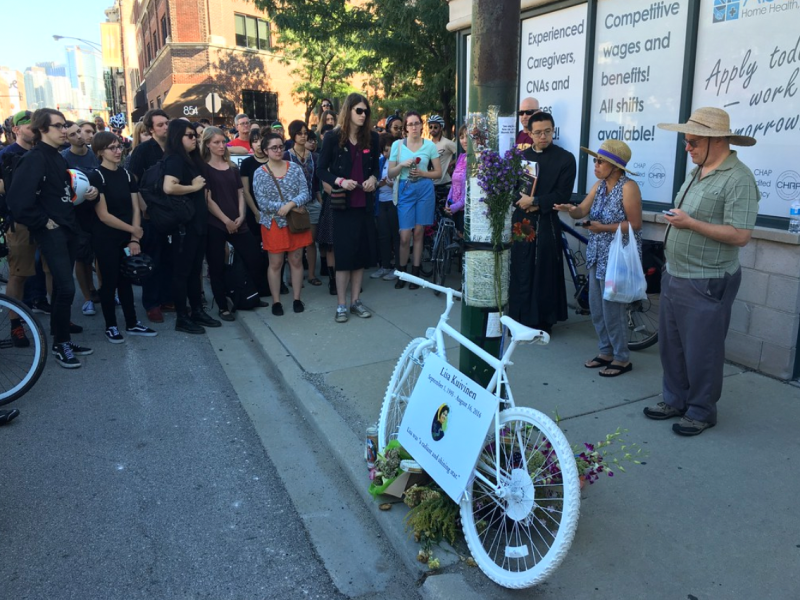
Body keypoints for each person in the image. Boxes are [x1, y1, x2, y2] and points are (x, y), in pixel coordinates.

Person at [643, 107, 759, 436]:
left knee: (702, 350)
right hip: (677, 273)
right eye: (687, 141)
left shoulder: (739, 179)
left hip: (707, 279)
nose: (687, 148)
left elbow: (741, 235)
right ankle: (676, 399)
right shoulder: (698, 171)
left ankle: (701, 410)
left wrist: (690, 223)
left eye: (693, 142)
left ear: (716, 140)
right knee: (672, 345)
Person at [7, 108, 95, 367]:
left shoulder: (58, 157)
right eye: (58, 125)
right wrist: (42, 221)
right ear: (42, 129)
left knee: (60, 288)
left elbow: (63, 192)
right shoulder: (35, 158)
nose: (64, 130)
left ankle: (62, 339)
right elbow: (17, 199)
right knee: (66, 287)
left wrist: (85, 194)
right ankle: (61, 344)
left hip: (68, 228)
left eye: (65, 124)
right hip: (51, 232)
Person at [555, 140, 642, 377]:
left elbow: (634, 225)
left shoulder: (628, 187)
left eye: (600, 161)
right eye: (595, 159)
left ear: (615, 166)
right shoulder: (599, 185)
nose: (596, 164)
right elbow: (582, 209)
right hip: (597, 254)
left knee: (612, 307)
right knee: (596, 305)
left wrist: (603, 228)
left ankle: (622, 357)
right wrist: (569, 209)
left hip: (617, 256)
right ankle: (605, 351)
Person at [509, 111, 576, 334]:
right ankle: (519, 316)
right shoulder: (520, 157)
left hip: (547, 221)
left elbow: (563, 194)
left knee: (544, 267)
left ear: (553, 131)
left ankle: (542, 320)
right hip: (523, 220)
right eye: (538, 132)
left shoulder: (565, 159)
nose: (543, 136)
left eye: (547, 131)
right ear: (529, 133)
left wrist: (536, 201)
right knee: (522, 264)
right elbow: (512, 189)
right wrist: (523, 202)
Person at [317, 92, 381, 322]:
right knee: (343, 256)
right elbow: (321, 169)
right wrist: (340, 181)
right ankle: (341, 304)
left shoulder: (373, 138)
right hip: (342, 204)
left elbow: (375, 169)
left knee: (360, 256)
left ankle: (356, 301)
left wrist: (373, 179)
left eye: (366, 111)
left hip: (364, 205)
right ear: (349, 111)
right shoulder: (333, 138)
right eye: (359, 111)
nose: (364, 115)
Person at [88, 131, 157, 342]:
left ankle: (132, 322)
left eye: (119, 147)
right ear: (100, 152)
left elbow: (135, 207)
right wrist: (133, 230)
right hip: (106, 238)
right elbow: (104, 215)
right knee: (109, 283)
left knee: (127, 279)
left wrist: (134, 237)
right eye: (112, 148)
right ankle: (111, 326)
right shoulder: (96, 176)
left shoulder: (127, 175)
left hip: (127, 237)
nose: (118, 151)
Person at [200, 126, 266, 321]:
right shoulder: (204, 169)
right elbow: (208, 199)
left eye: (223, 141)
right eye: (216, 142)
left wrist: (240, 216)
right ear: (208, 145)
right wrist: (226, 220)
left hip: (238, 221)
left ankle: (249, 296)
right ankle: (223, 306)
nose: (221, 146)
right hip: (217, 224)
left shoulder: (232, 167)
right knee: (217, 266)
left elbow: (240, 193)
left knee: (254, 258)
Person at [162, 119, 221, 333]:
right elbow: (169, 187)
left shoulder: (191, 159)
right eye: (189, 135)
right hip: (183, 226)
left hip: (198, 223)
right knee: (182, 272)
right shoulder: (174, 159)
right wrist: (193, 187)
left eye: (195, 135)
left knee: (195, 270)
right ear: (178, 137)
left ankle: (196, 311)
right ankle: (182, 317)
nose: (194, 138)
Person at [253, 132, 312, 315]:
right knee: (276, 263)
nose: (278, 150)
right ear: (265, 150)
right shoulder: (259, 173)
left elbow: (305, 192)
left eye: (281, 146)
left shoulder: (294, 168)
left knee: (296, 260)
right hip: (273, 223)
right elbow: (261, 202)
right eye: (274, 147)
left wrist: (290, 205)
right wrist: (283, 207)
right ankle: (276, 301)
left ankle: (297, 298)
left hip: (295, 222)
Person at [387, 111, 441, 289]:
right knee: (405, 235)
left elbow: (438, 173)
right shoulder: (398, 145)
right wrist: (402, 164)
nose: (414, 127)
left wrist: (423, 173)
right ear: (405, 127)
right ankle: (402, 273)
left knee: (418, 233)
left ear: (421, 125)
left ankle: (415, 275)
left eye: (417, 123)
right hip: (406, 188)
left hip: (425, 188)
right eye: (410, 124)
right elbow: (390, 173)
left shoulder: (429, 146)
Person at [129, 108, 172, 323]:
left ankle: (166, 297)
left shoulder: (175, 148)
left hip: (173, 212)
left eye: (167, 123)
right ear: (151, 129)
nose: (165, 127)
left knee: (169, 258)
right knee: (152, 259)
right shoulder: (142, 151)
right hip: (151, 213)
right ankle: (152, 304)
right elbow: (133, 183)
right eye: (160, 124)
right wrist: (143, 208)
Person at [61, 121, 100, 317]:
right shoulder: (64, 158)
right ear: (67, 139)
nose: (80, 136)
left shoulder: (94, 153)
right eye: (74, 134)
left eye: (80, 132)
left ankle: (106, 290)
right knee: (82, 258)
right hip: (77, 215)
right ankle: (87, 298)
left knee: (101, 254)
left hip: (98, 211)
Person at [283, 120, 321, 286]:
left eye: (305, 133)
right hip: (294, 204)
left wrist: (320, 202)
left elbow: (317, 183)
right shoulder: (286, 156)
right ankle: (294, 276)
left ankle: (312, 275)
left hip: (312, 201)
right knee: (296, 241)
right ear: (293, 135)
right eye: (300, 133)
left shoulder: (314, 156)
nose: (303, 136)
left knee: (311, 241)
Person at [371, 133, 400, 281]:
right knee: (383, 236)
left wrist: (392, 184)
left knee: (396, 235)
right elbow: (373, 182)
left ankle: (398, 268)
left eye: (388, 149)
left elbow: (404, 183)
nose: (385, 153)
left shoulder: (399, 162)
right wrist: (378, 184)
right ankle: (385, 266)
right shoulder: (380, 161)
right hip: (381, 201)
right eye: (383, 150)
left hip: (395, 202)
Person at [445, 125, 468, 234]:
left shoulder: (476, 160)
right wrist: (448, 203)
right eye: (462, 137)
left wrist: (455, 207)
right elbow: (454, 184)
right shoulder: (461, 157)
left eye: (468, 137)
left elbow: (468, 192)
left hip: (465, 211)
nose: (464, 140)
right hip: (455, 210)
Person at [427, 115, 456, 200]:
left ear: (441, 127)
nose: (432, 129)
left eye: (435, 127)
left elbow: (461, 155)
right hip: (430, 184)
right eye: (430, 127)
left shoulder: (447, 143)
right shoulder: (427, 144)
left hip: (444, 184)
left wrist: (450, 164)